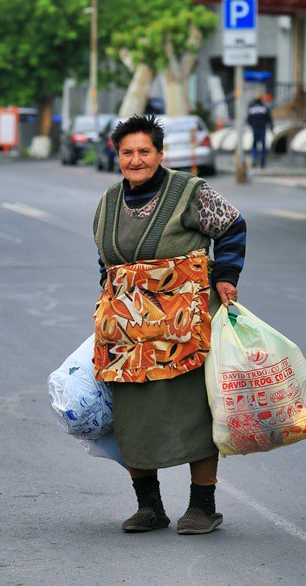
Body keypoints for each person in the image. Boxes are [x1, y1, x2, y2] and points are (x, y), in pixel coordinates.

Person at [92, 114, 246, 535]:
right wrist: (111, 300)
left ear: (160, 154)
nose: (136, 160)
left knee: (195, 412)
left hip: (186, 327)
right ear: (117, 156)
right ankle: (150, 506)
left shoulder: (190, 193)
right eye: (127, 152)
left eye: (144, 151)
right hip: (127, 332)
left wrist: (226, 276)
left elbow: (232, 226)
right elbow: (106, 262)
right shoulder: (109, 201)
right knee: (132, 415)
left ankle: (202, 506)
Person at [247, 93, 274, 168]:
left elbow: (248, 119)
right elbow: (269, 119)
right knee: (263, 145)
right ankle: (262, 162)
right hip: (262, 128)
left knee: (254, 144)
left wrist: (252, 125)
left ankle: (254, 158)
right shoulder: (264, 108)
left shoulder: (252, 109)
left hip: (255, 128)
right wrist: (271, 127)